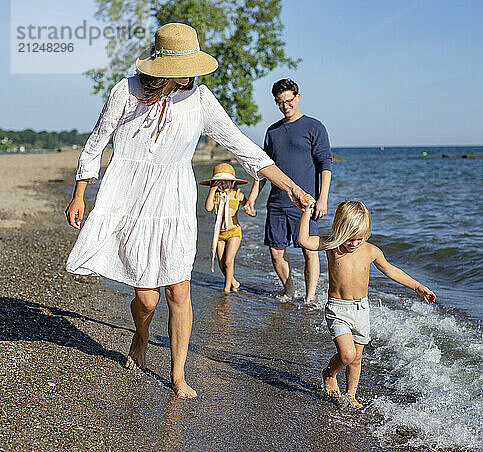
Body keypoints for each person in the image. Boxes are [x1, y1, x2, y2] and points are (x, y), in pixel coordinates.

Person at [64, 23, 313, 399]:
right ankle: (142, 335)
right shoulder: (126, 91)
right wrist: (80, 191)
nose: (192, 71)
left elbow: (243, 147)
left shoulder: (200, 100)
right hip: (130, 198)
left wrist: (290, 186)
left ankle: (178, 374)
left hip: (174, 202)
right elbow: (98, 140)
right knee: (146, 299)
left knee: (178, 293)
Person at [297, 201, 436, 409]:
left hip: (361, 310)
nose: (353, 243)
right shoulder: (332, 245)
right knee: (347, 354)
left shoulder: (371, 251)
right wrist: (307, 213)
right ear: (339, 231)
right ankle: (329, 373)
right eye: (349, 238)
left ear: (367, 233)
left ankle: (351, 394)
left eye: (359, 239)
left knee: (357, 357)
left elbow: (391, 270)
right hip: (338, 309)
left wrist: (417, 286)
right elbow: (304, 240)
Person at [246, 79, 332, 303]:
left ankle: (310, 297)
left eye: (288, 100)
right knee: (276, 251)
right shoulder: (272, 132)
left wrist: (322, 199)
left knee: (309, 250)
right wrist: (252, 198)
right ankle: (289, 290)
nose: (285, 106)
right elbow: (264, 169)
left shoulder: (315, 127)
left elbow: (325, 164)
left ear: (298, 97)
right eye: (280, 102)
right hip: (276, 203)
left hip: (306, 203)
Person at [201, 163, 250, 293]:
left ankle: (227, 289)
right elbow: (208, 208)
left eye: (226, 182)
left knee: (228, 261)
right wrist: (212, 190)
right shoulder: (216, 195)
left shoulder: (237, 194)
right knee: (222, 264)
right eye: (219, 183)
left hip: (234, 231)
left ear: (233, 182)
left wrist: (249, 209)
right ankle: (234, 282)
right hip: (220, 234)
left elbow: (248, 205)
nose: (223, 185)